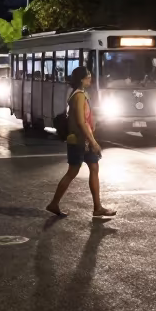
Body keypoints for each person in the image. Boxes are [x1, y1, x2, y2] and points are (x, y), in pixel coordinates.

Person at [47, 66, 116, 219]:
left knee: (94, 167)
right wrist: (93, 142)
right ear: (81, 79)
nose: (90, 79)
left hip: (85, 139)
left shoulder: (83, 94)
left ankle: (98, 207)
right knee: (73, 171)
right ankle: (54, 203)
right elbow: (80, 121)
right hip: (80, 140)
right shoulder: (78, 95)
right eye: (88, 77)